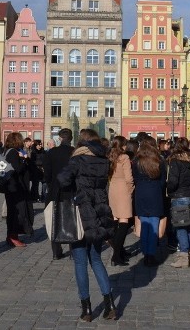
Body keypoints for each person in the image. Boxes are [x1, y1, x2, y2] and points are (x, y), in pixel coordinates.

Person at [57, 129, 117, 321]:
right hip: (99, 212)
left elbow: (62, 180)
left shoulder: (77, 159)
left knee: (81, 262)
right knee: (97, 259)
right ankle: (109, 304)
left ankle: (87, 309)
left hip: (82, 213)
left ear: (82, 142)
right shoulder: (103, 160)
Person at [166, 137, 190, 268]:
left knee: (181, 226)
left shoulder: (175, 161)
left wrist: (169, 191)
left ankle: (183, 256)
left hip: (179, 196)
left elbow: (173, 181)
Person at [132, 138, 166, 267]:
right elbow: (163, 181)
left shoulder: (136, 161)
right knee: (154, 225)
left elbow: (134, 178)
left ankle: (145, 253)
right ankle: (151, 255)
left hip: (141, 192)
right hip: (155, 192)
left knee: (145, 224)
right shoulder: (159, 161)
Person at [44, 128, 76, 260]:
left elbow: (47, 174)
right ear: (71, 138)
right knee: (71, 219)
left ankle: (56, 251)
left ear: (60, 138)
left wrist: (51, 183)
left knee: (54, 219)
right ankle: (73, 250)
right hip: (71, 190)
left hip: (55, 190)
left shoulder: (52, 152)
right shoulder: (74, 153)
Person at [0, 132, 32, 247]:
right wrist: (23, 160)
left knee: (12, 212)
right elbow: (17, 169)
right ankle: (13, 236)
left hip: (8, 186)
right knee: (16, 212)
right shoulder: (13, 152)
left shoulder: (6, 150)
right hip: (14, 187)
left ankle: (11, 236)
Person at [107, 135, 134, 266]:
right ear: (123, 145)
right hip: (123, 189)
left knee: (116, 220)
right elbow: (129, 178)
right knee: (124, 221)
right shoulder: (124, 157)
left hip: (113, 188)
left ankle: (119, 252)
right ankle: (116, 256)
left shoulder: (110, 156)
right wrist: (131, 189)